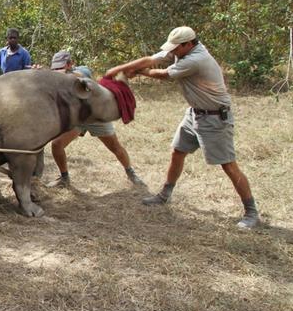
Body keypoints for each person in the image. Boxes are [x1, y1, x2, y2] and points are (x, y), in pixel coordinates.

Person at [106, 26, 260, 229]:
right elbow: (151, 59)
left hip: (214, 118)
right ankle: (165, 195)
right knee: (177, 152)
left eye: (176, 48)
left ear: (188, 44)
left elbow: (163, 74)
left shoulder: (196, 60)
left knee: (228, 165)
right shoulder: (183, 49)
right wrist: (118, 69)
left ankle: (252, 212)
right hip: (195, 113)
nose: (173, 52)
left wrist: (139, 72)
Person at [45, 51, 144, 188]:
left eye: (60, 67)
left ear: (70, 64)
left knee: (115, 147)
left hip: (96, 117)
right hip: (78, 120)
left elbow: (80, 76)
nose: (57, 70)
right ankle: (64, 178)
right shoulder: (56, 77)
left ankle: (131, 173)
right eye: (54, 68)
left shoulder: (82, 70)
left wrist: (57, 74)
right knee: (57, 145)